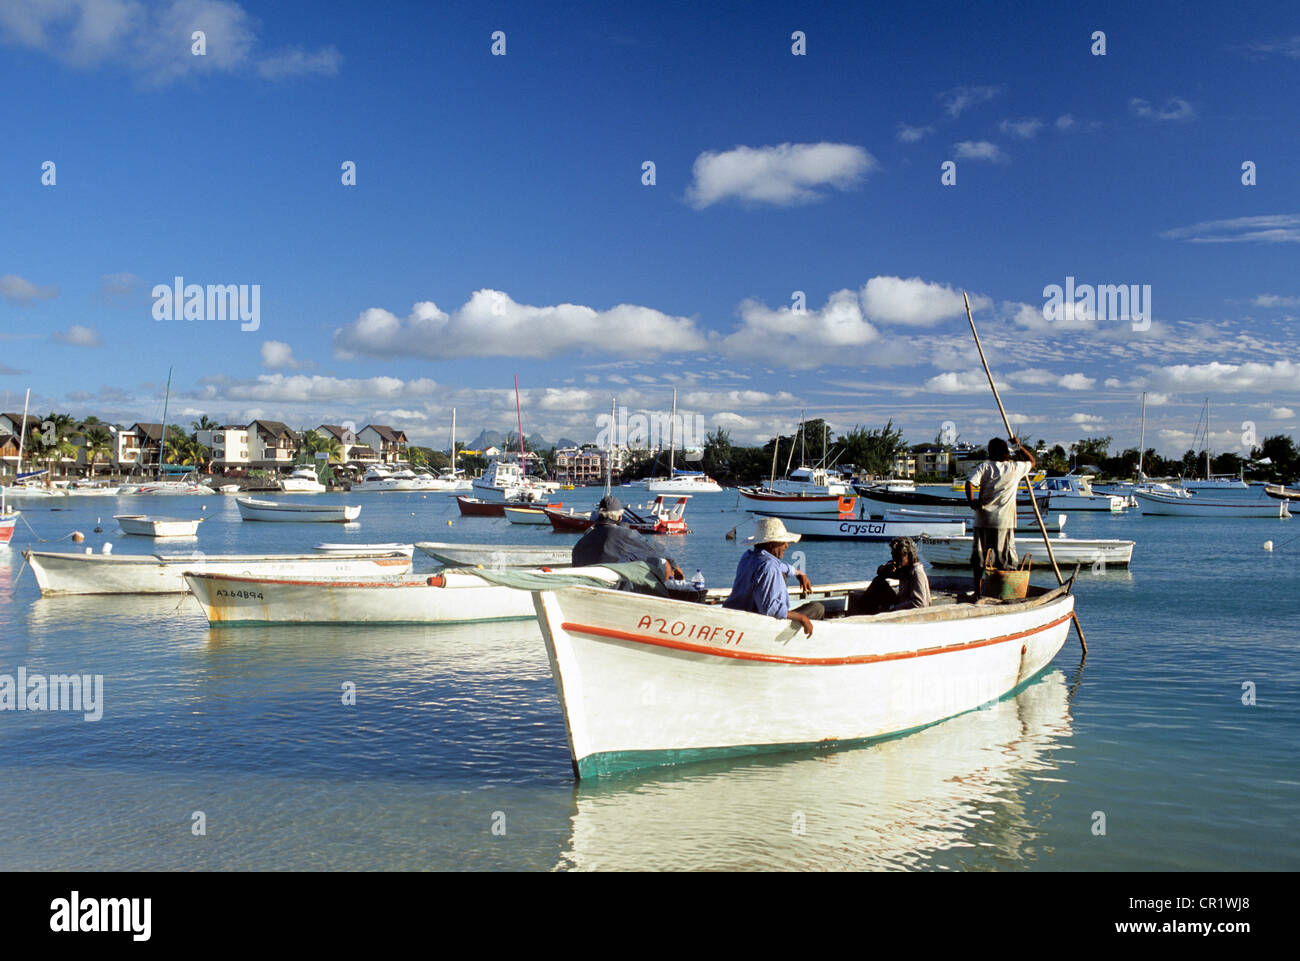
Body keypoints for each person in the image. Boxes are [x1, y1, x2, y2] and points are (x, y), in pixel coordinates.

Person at [723, 516, 822, 636]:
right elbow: (770, 609)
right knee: (818, 608)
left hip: (735, 613)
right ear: (771, 544)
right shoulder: (769, 567)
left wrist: (799, 573)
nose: (787, 545)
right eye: (783, 542)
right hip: (757, 622)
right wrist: (802, 618)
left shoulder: (748, 557)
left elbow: (781, 566)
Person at [965, 436, 1036, 595]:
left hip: (982, 519)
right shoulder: (1014, 468)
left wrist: (972, 502)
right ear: (1006, 452)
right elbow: (1032, 461)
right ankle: (1003, 592)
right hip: (1003, 521)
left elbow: (969, 483)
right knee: (1004, 559)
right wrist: (1018, 446)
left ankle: (978, 591)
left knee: (979, 559)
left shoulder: (985, 467)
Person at [571, 494, 683, 582]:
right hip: (613, 587)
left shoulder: (585, 538)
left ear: (599, 515)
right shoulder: (624, 534)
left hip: (586, 583)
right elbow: (656, 550)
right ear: (620, 517)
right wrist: (675, 566)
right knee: (663, 563)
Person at [847, 537, 931, 615]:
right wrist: (886, 568)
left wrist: (893, 608)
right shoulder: (905, 569)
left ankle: (863, 611)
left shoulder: (916, 572)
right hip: (901, 604)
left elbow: (919, 603)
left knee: (872, 591)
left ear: (906, 555)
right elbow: (880, 573)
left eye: (897, 556)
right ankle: (863, 609)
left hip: (909, 612)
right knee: (878, 581)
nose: (895, 559)